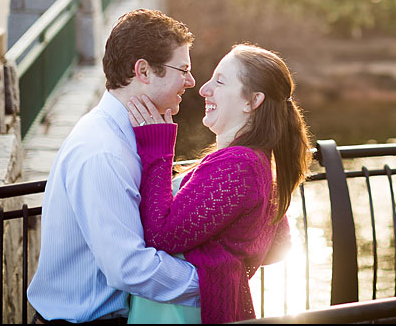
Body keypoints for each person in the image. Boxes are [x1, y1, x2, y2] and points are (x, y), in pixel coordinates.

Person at [27, 9, 202, 324]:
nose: (190, 81)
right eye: (183, 69)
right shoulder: (103, 151)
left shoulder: (128, 136)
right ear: (144, 71)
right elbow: (129, 267)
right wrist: (211, 283)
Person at [125, 43, 312, 324]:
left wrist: (158, 148)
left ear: (252, 101)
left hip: (185, 314)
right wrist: (223, 253)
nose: (204, 89)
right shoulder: (257, 160)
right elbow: (277, 246)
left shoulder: (239, 165)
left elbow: (160, 236)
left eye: (220, 82)